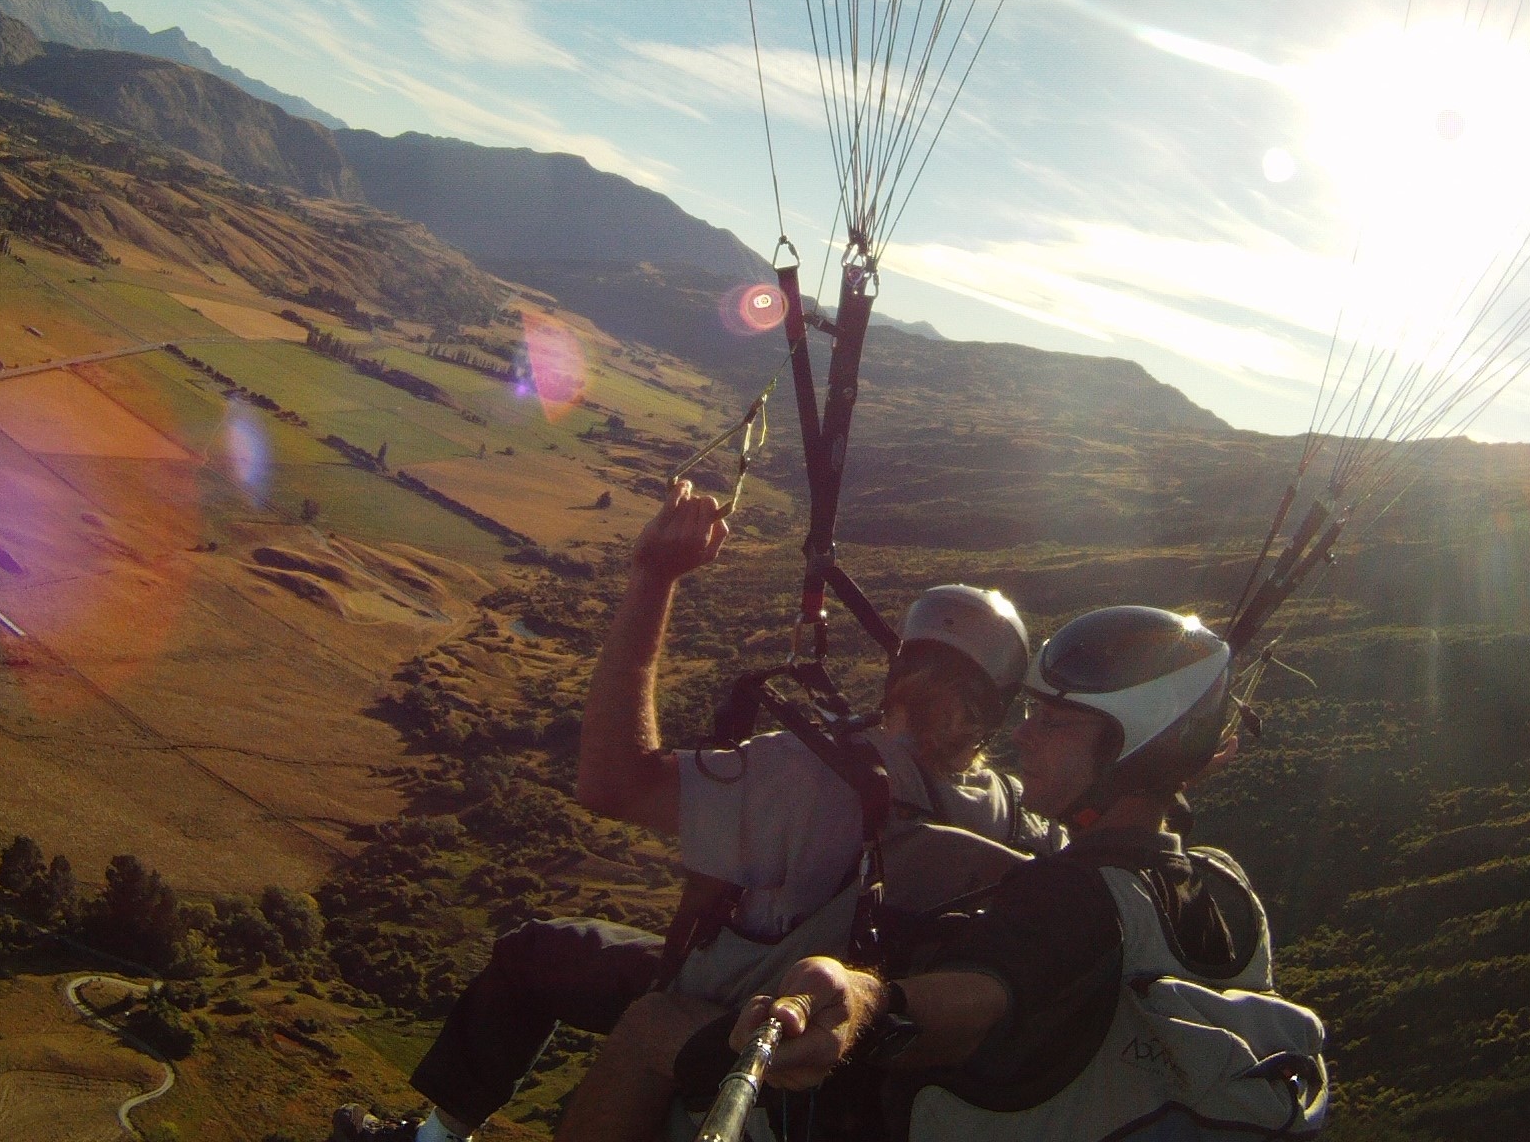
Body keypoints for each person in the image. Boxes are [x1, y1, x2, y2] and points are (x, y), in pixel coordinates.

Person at [373, 481, 1057, 1142]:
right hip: (855, 1045)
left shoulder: (810, 772)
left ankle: (438, 1136)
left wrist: (654, 578)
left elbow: (614, 783)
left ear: (898, 663)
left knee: (534, 953)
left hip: (733, 1017)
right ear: (994, 711)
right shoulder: (1003, 813)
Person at [705, 604, 1328, 1140]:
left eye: (1054, 721)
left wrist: (861, 1003)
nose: (1023, 735)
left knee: (656, 1037)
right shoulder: (1224, 887)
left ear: (1124, 753)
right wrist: (1172, 769)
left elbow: (990, 993)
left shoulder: (1070, 898)